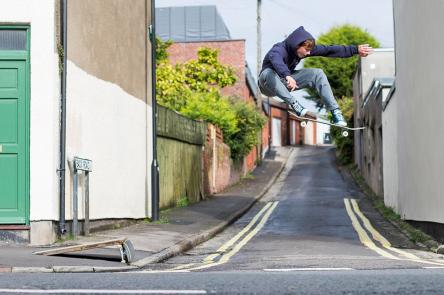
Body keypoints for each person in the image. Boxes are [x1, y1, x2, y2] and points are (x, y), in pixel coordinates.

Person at [258, 26, 373, 127]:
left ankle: (335, 112)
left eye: (310, 51)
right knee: (268, 72)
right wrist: (287, 75)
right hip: (267, 84)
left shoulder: (303, 50)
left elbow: (329, 50)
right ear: (297, 45)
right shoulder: (278, 49)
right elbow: (276, 60)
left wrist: (355, 49)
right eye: (306, 50)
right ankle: (294, 104)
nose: (308, 53)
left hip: (285, 83)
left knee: (318, 73)